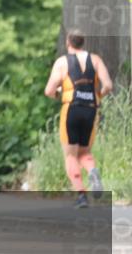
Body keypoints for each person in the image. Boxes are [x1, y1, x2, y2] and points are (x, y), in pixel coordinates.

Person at [43, 29, 113, 208]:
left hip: (71, 110)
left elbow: (49, 90)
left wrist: (60, 94)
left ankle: (81, 195)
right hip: (91, 110)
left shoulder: (62, 62)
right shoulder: (95, 60)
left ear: (68, 42)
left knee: (70, 155)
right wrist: (96, 96)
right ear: (83, 43)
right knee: (85, 152)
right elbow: (108, 85)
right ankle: (92, 171)